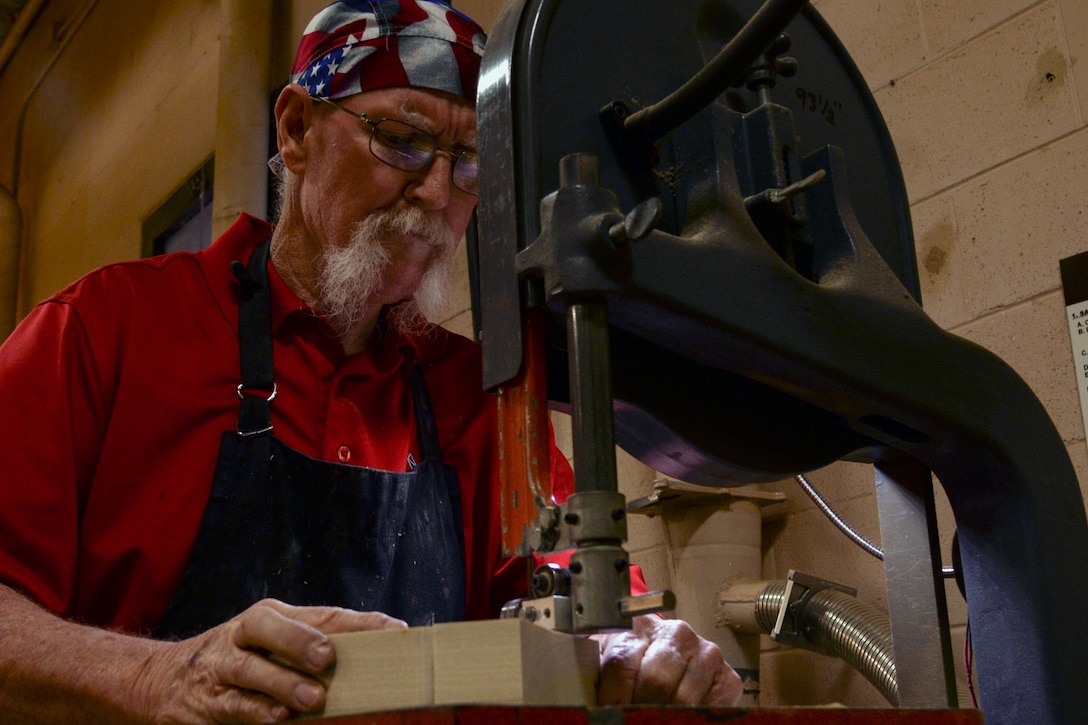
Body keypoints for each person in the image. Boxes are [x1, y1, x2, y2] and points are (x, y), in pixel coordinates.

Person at [0, 1, 743, 721]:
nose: (434, 192)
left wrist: (633, 643)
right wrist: (158, 679)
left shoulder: (479, 397)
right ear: (296, 129)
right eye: (401, 139)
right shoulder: (103, 331)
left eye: (467, 164)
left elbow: (576, 594)